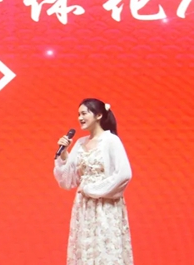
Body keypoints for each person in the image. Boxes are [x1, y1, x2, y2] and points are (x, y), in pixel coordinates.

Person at [53, 98, 134, 265]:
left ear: (98, 115)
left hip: (106, 205)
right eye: (78, 114)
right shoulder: (80, 143)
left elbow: (124, 173)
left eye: (84, 113)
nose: (80, 118)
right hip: (84, 206)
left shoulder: (111, 141)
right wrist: (64, 154)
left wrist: (94, 189)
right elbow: (68, 180)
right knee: (86, 249)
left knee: (105, 249)